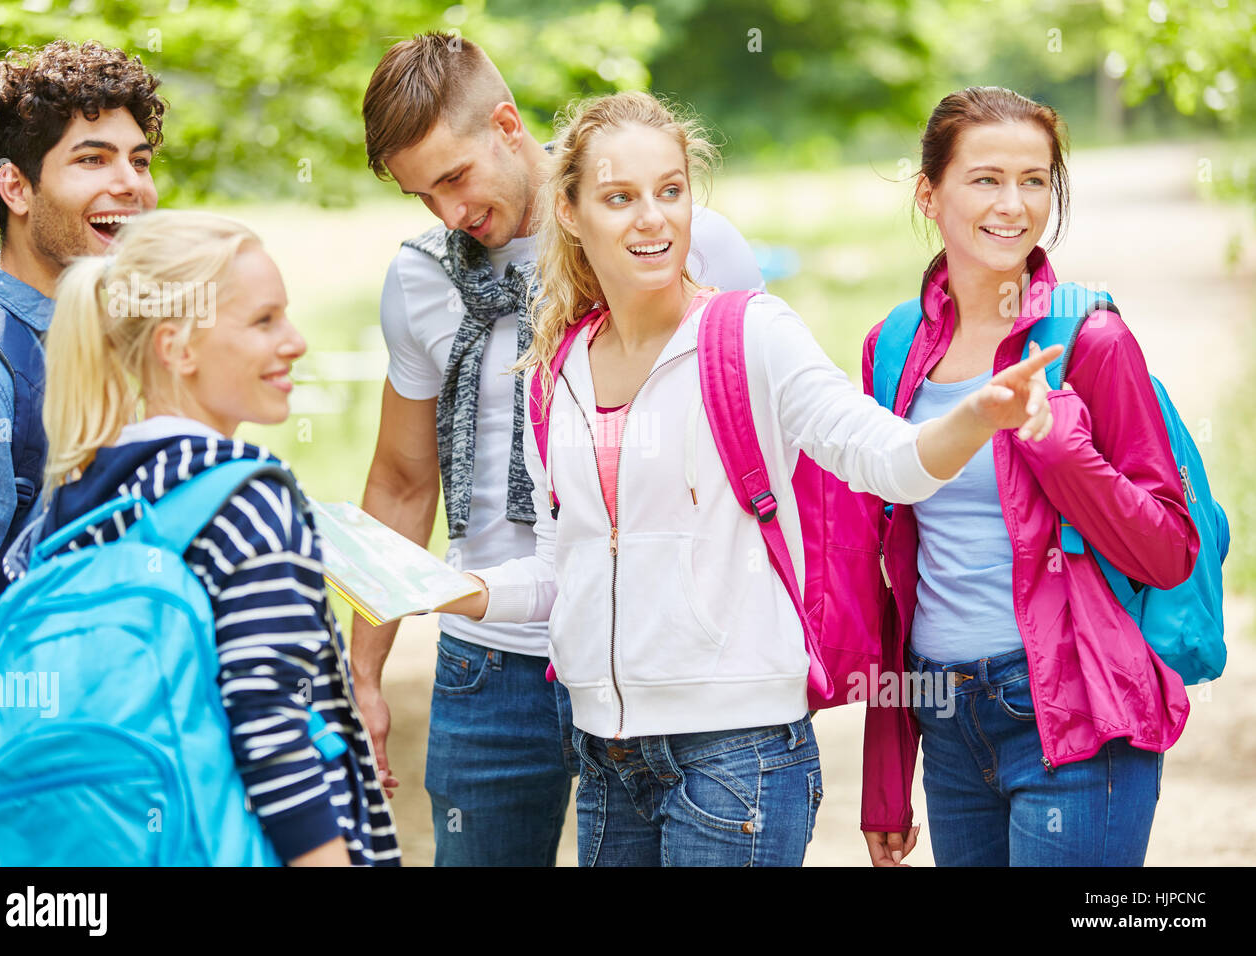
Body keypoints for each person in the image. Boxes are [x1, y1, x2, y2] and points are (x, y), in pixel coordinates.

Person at [437, 89, 1063, 867]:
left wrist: (975, 416)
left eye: (671, 191)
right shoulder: (553, 372)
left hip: (736, 761)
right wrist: (458, 592)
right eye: (619, 198)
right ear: (569, 213)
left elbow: (889, 461)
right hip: (604, 755)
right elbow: (564, 566)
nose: (652, 219)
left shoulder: (750, 335)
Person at [356, 32, 764, 865]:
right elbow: (401, 482)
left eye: (454, 179)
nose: (447, 213)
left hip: (650, 654)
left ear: (508, 126)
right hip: (490, 671)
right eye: (421, 196)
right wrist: (364, 669)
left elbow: (755, 455)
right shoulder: (418, 280)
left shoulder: (683, 239)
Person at [859, 87, 1197, 867]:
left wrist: (1059, 448)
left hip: (1074, 721)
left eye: (1035, 180)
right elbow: (891, 569)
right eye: (985, 179)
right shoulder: (892, 347)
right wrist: (886, 775)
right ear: (928, 194)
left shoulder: (1093, 338)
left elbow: (1169, 550)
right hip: (944, 717)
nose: (1014, 205)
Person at [6, 210, 400, 866]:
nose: (295, 342)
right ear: (178, 348)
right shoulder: (247, 502)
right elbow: (270, 730)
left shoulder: (71, 501)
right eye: (264, 321)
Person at [0, 40, 162, 724]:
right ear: (15, 187)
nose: (130, 183)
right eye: (92, 159)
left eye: (138, 160)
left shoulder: (128, 345)